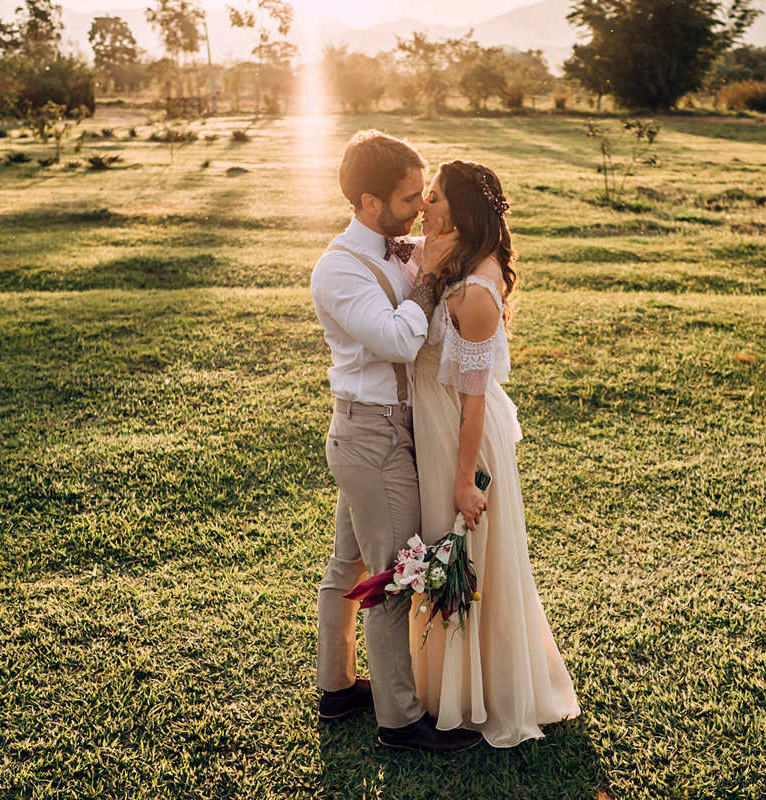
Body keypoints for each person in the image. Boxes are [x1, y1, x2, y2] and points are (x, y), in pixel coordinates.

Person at [309, 130, 481, 752]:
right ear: (367, 202)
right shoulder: (337, 270)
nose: (418, 208)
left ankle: (337, 690)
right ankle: (401, 721)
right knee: (387, 578)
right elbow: (399, 340)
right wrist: (428, 277)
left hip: (379, 433)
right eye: (409, 198)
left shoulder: (398, 248)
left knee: (346, 565)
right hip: (371, 436)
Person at [408, 160, 580, 748]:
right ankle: (436, 684)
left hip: (461, 437)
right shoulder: (450, 257)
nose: (422, 207)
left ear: (458, 209)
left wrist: (464, 482)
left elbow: (474, 403)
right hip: (433, 424)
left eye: (431, 197)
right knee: (439, 547)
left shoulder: (477, 290)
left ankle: (474, 694)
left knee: (462, 552)